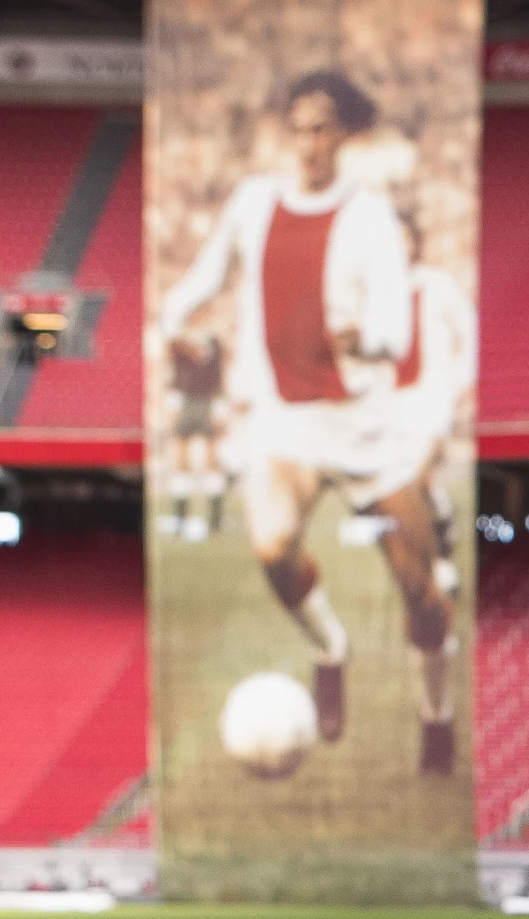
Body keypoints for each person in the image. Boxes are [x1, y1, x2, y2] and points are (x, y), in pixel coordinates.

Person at [160, 68, 466, 777]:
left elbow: (392, 319)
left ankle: (436, 718)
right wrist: (172, 320)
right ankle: (331, 650)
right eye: (297, 126)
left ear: (346, 133)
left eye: (321, 126)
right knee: (271, 546)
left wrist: (367, 340)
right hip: (286, 425)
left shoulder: (369, 216)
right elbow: (208, 275)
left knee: (422, 597)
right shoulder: (253, 203)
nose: (307, 142)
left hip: (367, 428)